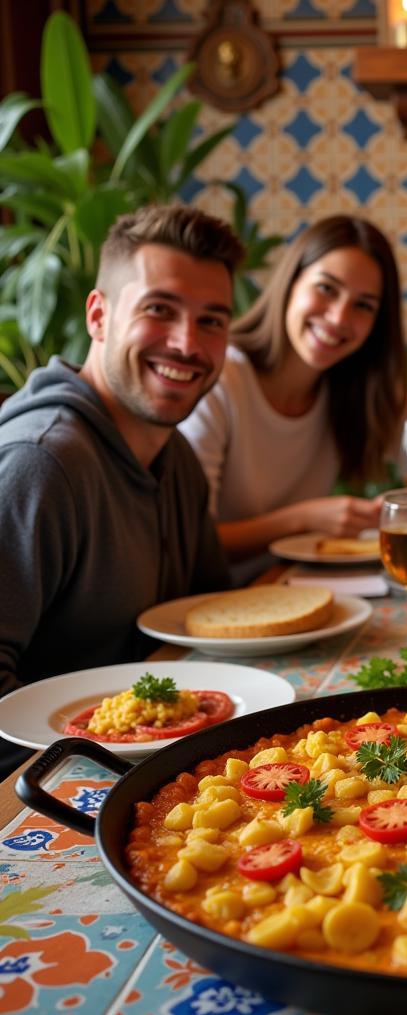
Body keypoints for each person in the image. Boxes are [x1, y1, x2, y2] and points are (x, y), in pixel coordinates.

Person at [0, 204, 243, 773]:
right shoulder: (39, 464)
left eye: (212, 320)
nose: (187, 344)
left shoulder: (174, 455)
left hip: (164, 756)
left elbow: (206, 621)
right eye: (160, 309)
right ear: (98, 316)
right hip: (52, 784)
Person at [179, 215, 407, 578]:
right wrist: (305, 518)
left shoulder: (358, 387)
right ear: (291, 283)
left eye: (363, 305)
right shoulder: (221, 381)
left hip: (294, 584)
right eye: (327, 288)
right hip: (221, 601)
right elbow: (193, 541)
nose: (339, 317)